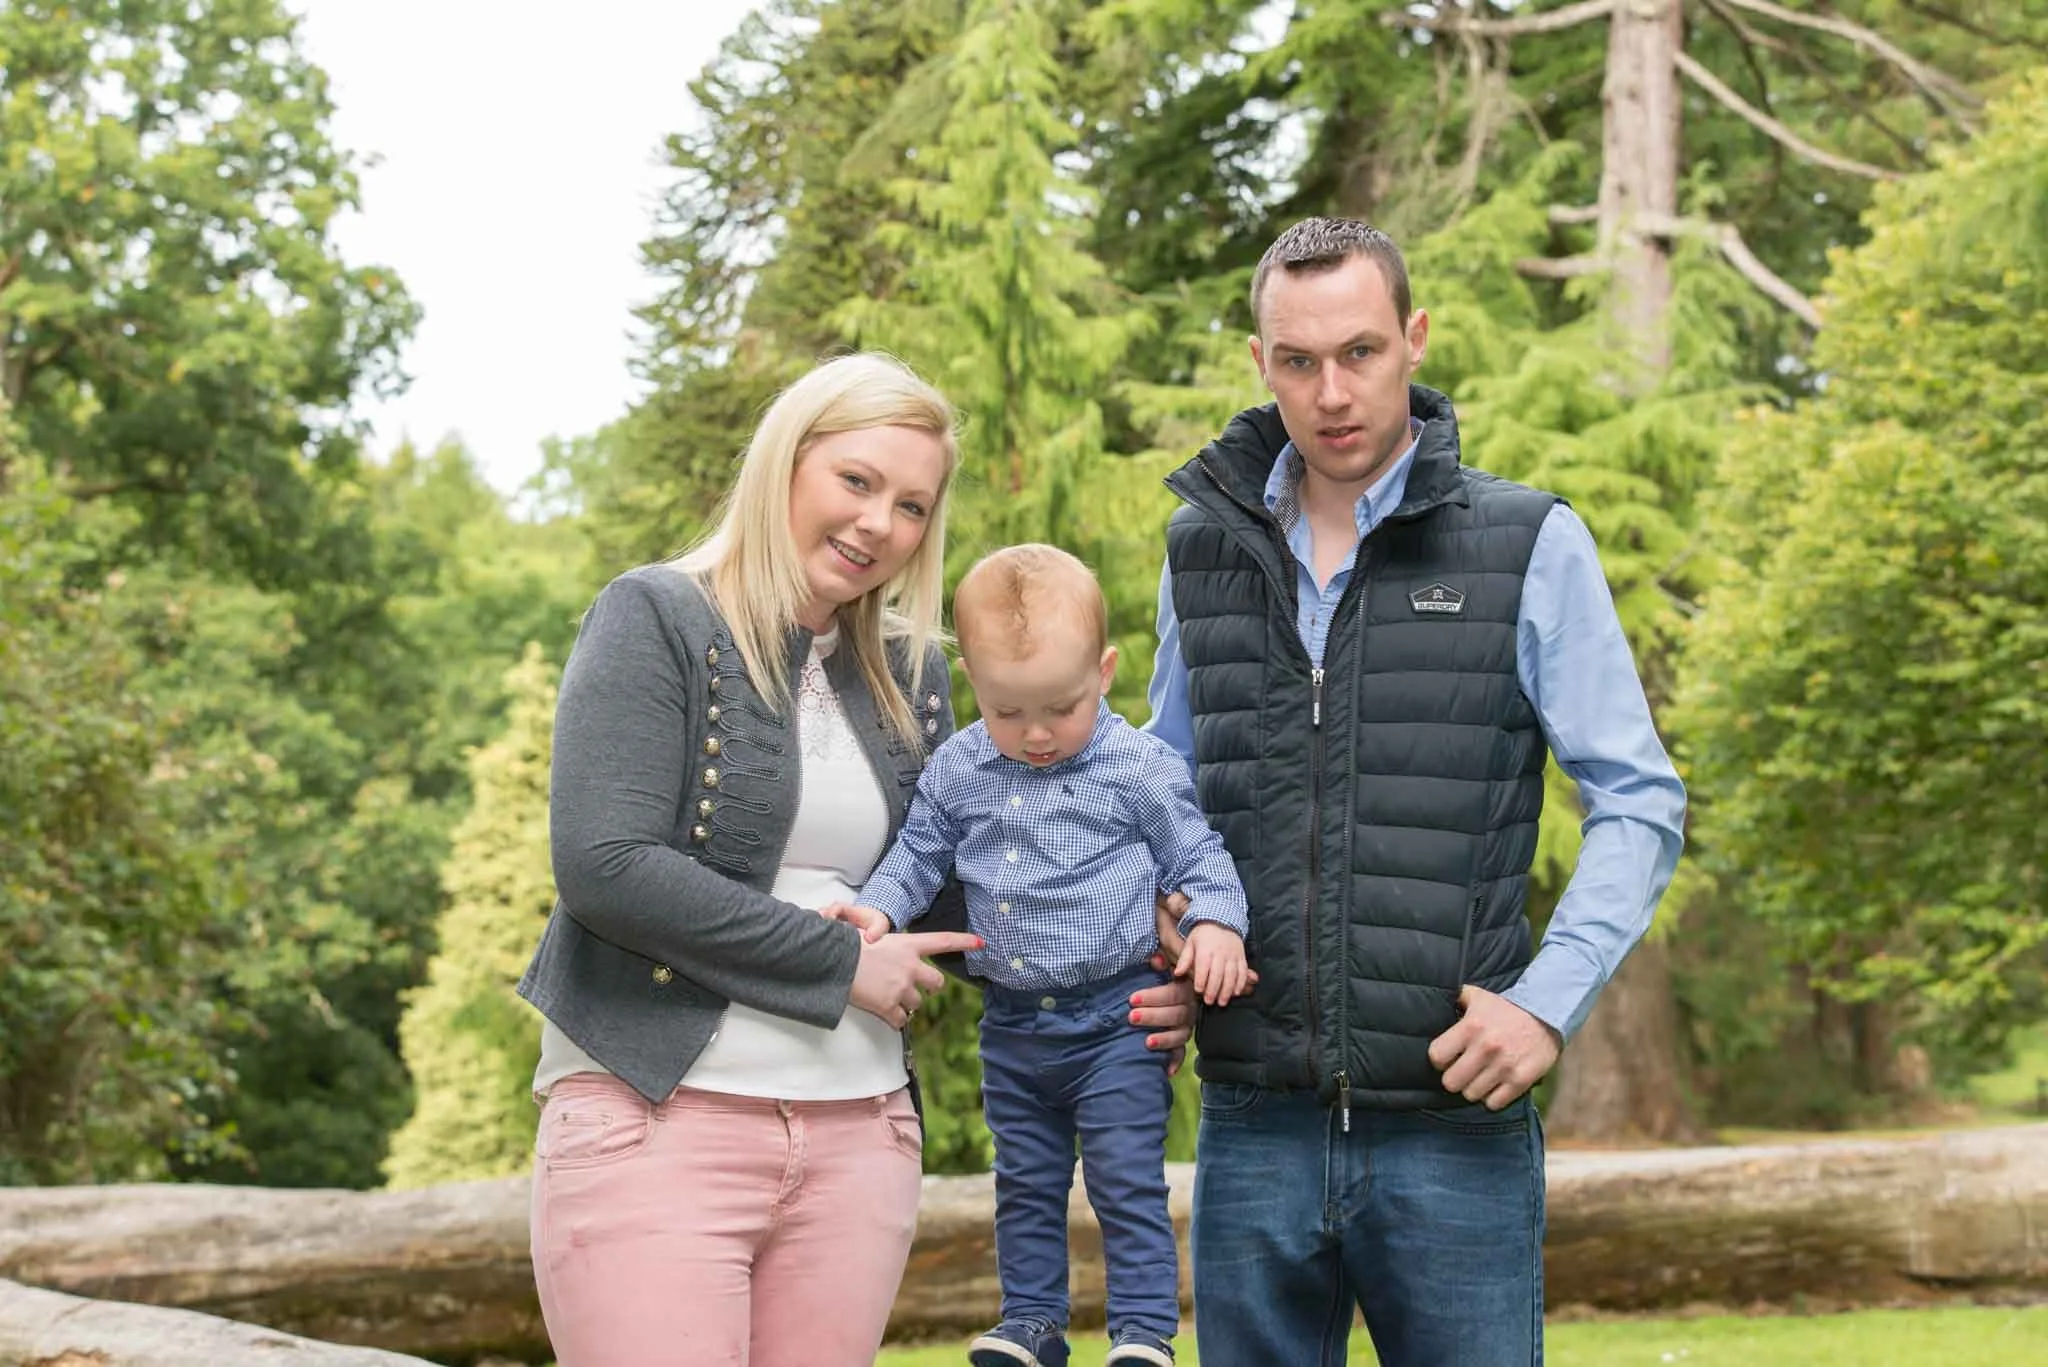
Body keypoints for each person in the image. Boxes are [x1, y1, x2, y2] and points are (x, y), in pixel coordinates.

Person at [517, 353, 1198, 1367]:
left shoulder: (912, 668)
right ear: (786, 462)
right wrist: (837, 963)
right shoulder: (656, 615)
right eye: (857, 482)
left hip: (858, 1131)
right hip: (655, 1117)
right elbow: (605, 863)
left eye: (913, 505)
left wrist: (1127, 952)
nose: (881, 523)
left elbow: (959, 880)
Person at [1144, 218, 1688, 1367]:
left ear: (1414, 340)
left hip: (1453, 1124)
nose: (1330, 391)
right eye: (1297, 361)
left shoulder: (1527, 540)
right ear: (1260, 362)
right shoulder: (1201, 548)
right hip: (1253, 1122)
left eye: (1360, 352)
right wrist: (1161, 911)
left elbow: (1637, 801)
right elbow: (1165, 792)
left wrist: (1544, 1002)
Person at [831, 543, 1251, 1367]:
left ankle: (1141, 1332)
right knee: (1024, 1183)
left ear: (1104, 670)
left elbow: (1200, 861)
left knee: (1125, 1182)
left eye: (1061, 707)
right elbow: (920, 855)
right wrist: (875, 910)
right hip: (1014, 1023)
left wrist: (1217, 927)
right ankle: (1030, 1321)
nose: (1035, 735)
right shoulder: (959, 767)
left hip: (1117, 1019)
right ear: (974, 688)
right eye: (1005, 710)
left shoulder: (1137, 769)